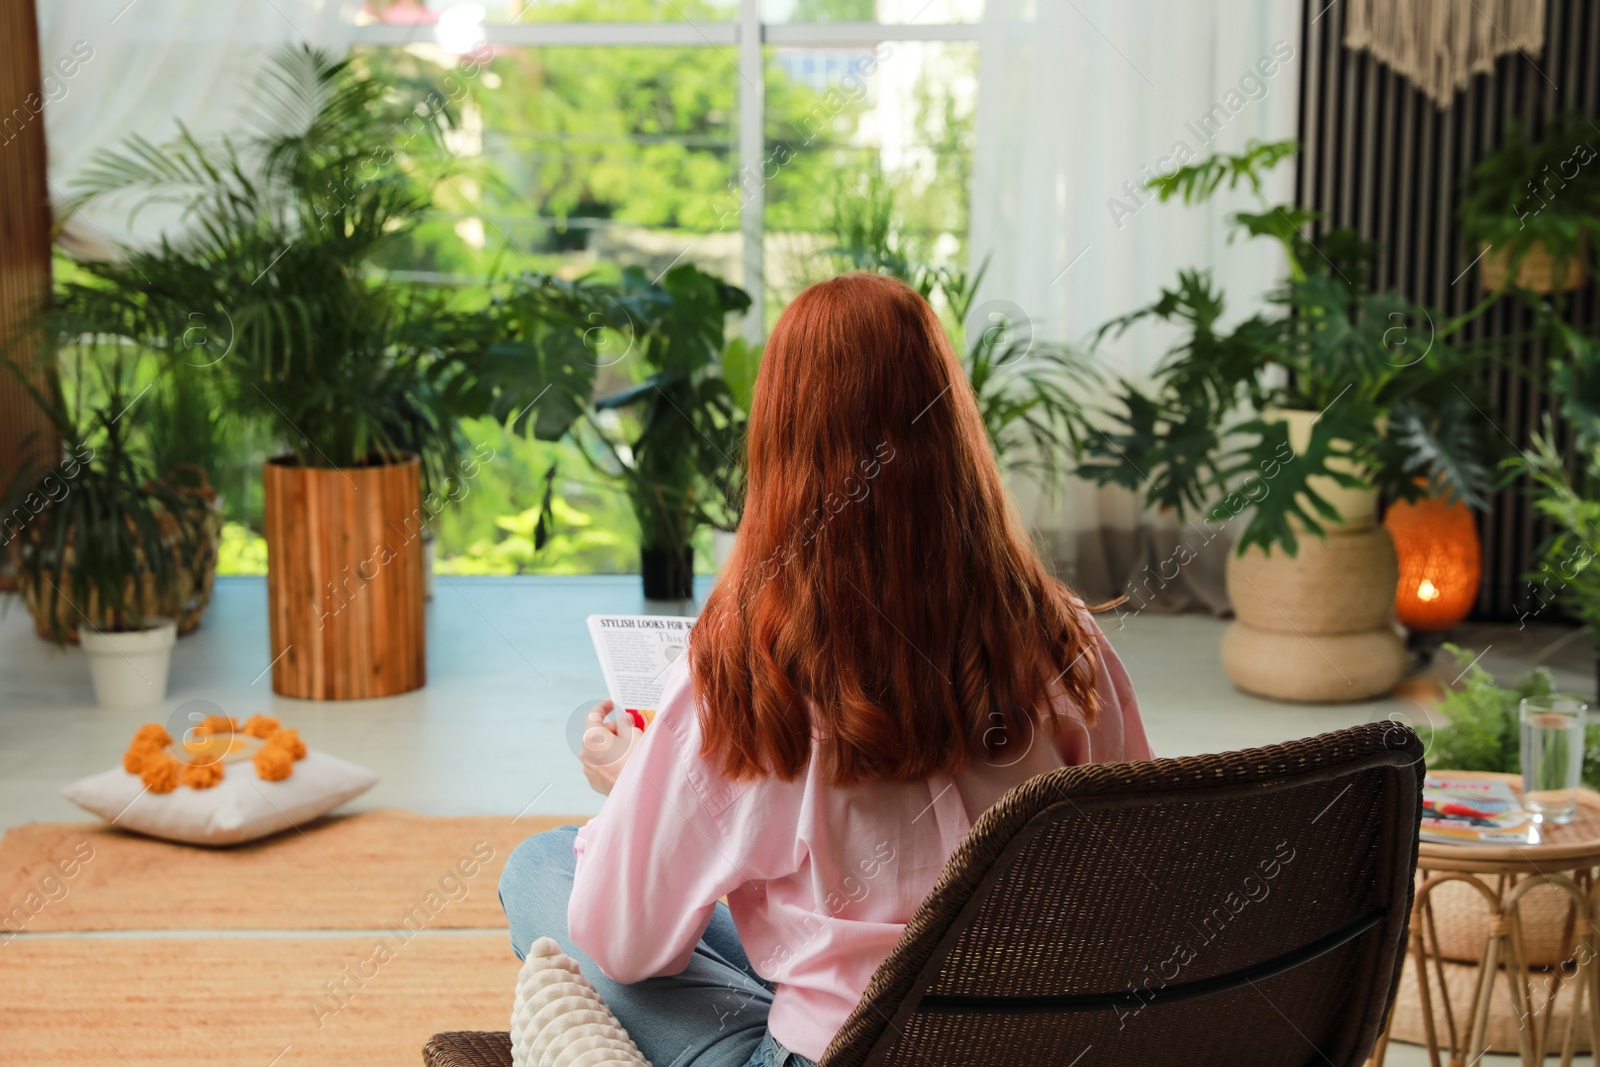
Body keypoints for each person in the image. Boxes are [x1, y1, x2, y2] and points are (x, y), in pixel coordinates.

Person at [499, 272, 1152, 1067]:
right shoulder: (1065, 638)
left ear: (780, 443)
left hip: (839, 1052)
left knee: (543, 867)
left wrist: (638, 785)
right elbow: (1134, 861)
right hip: (1036, 1042)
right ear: (950, 423)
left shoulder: (746, 672)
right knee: (772, 910)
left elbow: (624, 946)